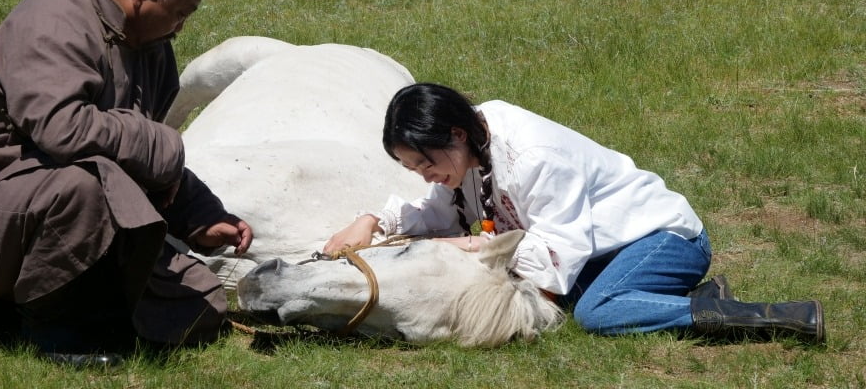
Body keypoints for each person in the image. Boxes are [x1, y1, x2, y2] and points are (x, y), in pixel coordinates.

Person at [0, 0, 253, 366]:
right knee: (86, 184)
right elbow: (62, 129)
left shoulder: (153, 47)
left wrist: (200, 215)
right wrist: (161, 142)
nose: (181, 27)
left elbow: (138, 159)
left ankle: (9, 312)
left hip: (85, 214)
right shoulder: (52, 21)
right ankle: (61, 336)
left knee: (202, 305)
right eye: (181, 12)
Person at [325, 82, 824, 344]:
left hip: (665, 238)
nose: (426, 175)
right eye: (413, 168)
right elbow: (438, 211)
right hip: (604, 249)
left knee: (596, 313)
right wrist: (372, 222)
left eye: (425, 162)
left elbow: (553, 255)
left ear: (454, 135)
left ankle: (752, 316)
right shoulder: (472, 147)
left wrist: (464, 246)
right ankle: (695, 299)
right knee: (585, 299)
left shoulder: (534, 156)